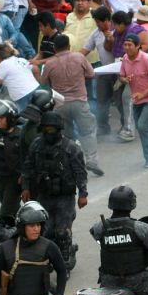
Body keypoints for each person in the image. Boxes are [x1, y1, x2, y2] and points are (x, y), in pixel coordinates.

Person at [21, 111, 89, 271]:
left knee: (62, 233)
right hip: (44, 195)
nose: (49, 132)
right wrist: (25, 187)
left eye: (52, 128)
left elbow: (80, 172)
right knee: (45, 231)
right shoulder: (37, 145)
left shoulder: (71, 148)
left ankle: (64, 262)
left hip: (65, 197)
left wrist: (83, 194)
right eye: (46, 128)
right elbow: (27, 167)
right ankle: (46, 259)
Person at [40, 34, 103, 176]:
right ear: (69, 46)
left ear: (54, 48)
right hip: (79, 101)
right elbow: (91, 74)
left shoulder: (50, 63)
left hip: (60, 105)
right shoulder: (79, 57)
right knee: (87, 131)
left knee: (66, 136)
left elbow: (43, 83)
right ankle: (91, 160)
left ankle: (69, 163)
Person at [90, 186, 148, 295]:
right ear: (132, 204)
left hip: (109, 282)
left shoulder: (100, 227)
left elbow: (95, 235)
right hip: (137, 282)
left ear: (111, 204)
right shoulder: (139, 227)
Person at [0, 202, 67, 295]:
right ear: (22, 227)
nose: (36, 229)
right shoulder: (7, 247)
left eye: (38, 225)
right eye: (31, 225)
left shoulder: (49, 246)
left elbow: (61, 270)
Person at [120, 33, 148, 168]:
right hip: (137, 100)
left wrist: (143, 94)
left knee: (142, 126)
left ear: (138, 46)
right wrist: (124, 79)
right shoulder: (125, 59)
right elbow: (121, 75)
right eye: (125, 45)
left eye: (130, 45)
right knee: (142, 126)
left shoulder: (147, 60)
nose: (127, 48)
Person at [0, 43, 40, 110]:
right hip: (37, 89)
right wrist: (39, 83)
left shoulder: (3, 64)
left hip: (22, 96)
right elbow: (36, 69)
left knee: (25, 118)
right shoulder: (21, 59)